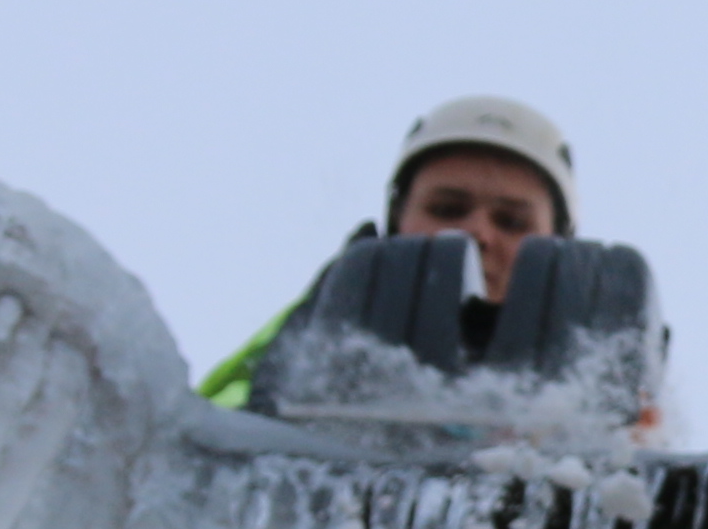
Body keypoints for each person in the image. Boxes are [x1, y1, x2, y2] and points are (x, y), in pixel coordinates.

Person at [198, 96, 624, 410]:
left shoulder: (609, 360)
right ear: (396, 222)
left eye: (511, 222)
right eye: (447, 210)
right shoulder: (309, 334)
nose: (477, 232)